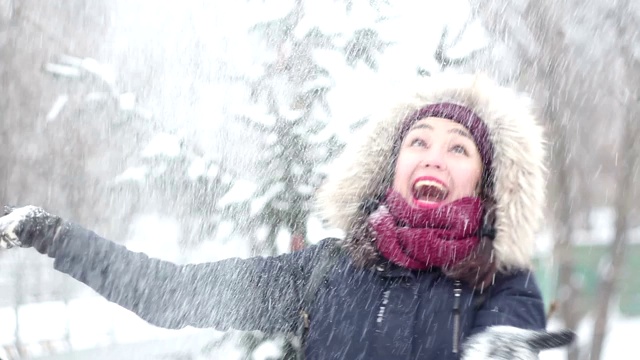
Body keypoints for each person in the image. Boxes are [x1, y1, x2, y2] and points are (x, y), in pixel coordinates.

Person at [0, 73, 574, 359]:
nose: (433, 156)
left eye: (458, 148)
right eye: (418, 141)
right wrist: (57, 237)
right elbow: (172, 294)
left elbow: (508, 337)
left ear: (484, 179)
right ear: (392, 166)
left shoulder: (501, 284)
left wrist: (498, 349)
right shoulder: (328, 272)